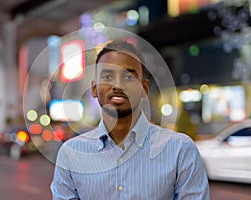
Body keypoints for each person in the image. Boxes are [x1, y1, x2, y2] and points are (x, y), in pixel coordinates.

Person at [50, 40, 210, 199]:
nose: (118, 85)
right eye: (108, 76)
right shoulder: (71, 154)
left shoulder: (180, 150)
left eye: (128, 77)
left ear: (144, 89)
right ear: (94, 89)